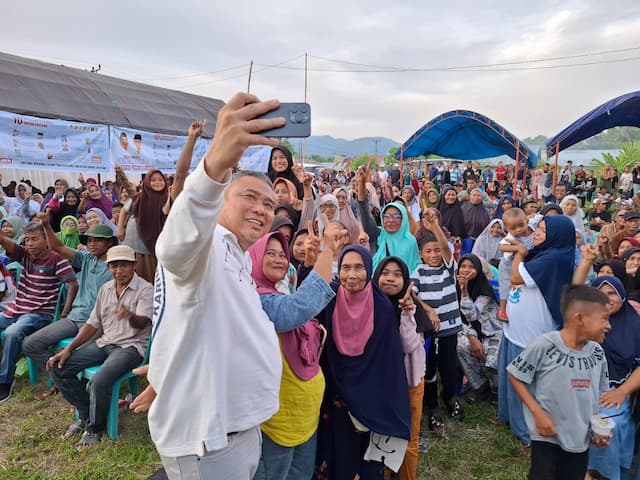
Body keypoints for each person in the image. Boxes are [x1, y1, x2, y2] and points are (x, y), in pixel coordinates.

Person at [145, 93, 288, 480]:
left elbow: (195, 321)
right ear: (220, 199)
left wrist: (166, 375)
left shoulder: (239, 256)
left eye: (270, 205)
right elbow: (175, 247)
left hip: (237, 429)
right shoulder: (204, 248)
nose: (262, 209)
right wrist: (213, 168)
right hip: (208, 444)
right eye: (250, 196)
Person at [313, 245, 411, 479]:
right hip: (336, 392)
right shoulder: (331, 299)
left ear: (369, 269)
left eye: (359, 267)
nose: (352, 274)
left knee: (365, 461)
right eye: (345, 268)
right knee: (339, 454)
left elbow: (387, 360)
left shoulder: (382, 307)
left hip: (370, 397)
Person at [250, 227, 338, 480]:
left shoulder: (277, 293)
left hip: (303, 415)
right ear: (254, 258)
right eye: (270, 253)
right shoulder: (256, 299)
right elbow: (298, 308)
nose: (279, 259)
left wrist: (311, 263)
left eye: (282, 254)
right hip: (277, 421)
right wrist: (328, 250)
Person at [47, 245, 152, 449]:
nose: (118, 271)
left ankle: (95, 428)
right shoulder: (106, 289)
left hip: (131, 348)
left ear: (133, 265)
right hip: (105, 342)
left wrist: (129, 315)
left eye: (123, 266)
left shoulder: (145, 289)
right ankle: (87, 415)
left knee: (100, 380)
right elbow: (92, 324)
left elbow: (143, 323)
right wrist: (69, 349)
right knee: (58, 368)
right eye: (113, 266)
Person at [507, 285, 611, 480]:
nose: (608, 326)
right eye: (604, 319)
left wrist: (598, 428)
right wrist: (537, 413)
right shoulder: (545, 345)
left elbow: (596, 396)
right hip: (547, 437)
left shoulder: (597, 353)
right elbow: (515, 376)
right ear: (579, 318)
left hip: (580, 440)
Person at [498, 215, 576, 446]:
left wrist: (520, 253)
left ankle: (527, 434)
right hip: (516, 328)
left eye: (542, 230)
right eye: (538, 228)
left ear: (555, 235)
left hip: (531, 332)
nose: (537, 233)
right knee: (509, 375)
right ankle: (507, 417)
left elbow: (516, 276)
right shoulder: (545, 252)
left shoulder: (553, 257)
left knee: (524, 382)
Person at [22, 217, 116, 400]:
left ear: (109, 242)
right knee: (30, 344)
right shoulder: (87, 259)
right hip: (74, 317)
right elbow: (57, 247)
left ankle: (77, 389)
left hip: (97, 323)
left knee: (73, 359)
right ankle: (60, 382)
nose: (92, 244)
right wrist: (48, 225)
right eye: (89, 240)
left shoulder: (117, 266)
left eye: (97, 240)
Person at [0, 221, 78, 402]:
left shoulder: (56, 259)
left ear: (46, 240)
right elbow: (4, 240)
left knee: (12, 333)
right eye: (27, 240)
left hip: (40, 313)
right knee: (11, 328)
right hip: (17, 309)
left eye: (34, 239)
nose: (29, 244)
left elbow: (73, 283)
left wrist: (65, 313)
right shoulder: (26, 256)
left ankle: (5, 381)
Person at [374, 256, 434, 480]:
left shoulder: (412, 306)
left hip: (409, 382)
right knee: (383, 435)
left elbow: (408, 345)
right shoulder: (370, 304)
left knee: (408, 438)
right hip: (382, 382)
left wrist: (407, 313)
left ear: (406, 280)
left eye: (397, 275)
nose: (390, 278)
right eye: (385, 273)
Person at [411, 209, 464, 433]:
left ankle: (450, 397)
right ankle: (432, 408)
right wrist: (428, 310)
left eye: (436, 251)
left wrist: (434, 228)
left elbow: (445, 248)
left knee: (450, 367)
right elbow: (411, 293)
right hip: (430, 332)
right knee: (430, 370)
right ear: (421, 255)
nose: (433, 254)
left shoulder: (448, 269)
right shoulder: (419, 271)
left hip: (450, 329)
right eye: (428, 251)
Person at [456, 254, 503, 402]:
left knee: (491, 362)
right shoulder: (454, 287)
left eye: (471, 267)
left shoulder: (485, 289)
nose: (466, 270)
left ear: (478, 270)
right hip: (472, 331)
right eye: (463, 266)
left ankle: (498, 391)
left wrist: (464, 292)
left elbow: (472, 314)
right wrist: (472, 337)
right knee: (461, 346)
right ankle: (480, 386)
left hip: (493, 333)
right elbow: (458, 317)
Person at [119, 169, 171, 283]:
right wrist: (120, 228)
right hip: (134, 243)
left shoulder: (167, 197)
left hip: (154, 242)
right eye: (153, 180)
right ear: (147, 182)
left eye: (160, 180)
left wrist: (171, 195)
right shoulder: (139, 196)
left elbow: (165, 212)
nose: (157, 182)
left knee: (150, 275)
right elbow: (124, 210)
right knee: (133, 273)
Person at [497, 208, 533, 321]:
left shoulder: (533, 231)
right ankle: (502, 310)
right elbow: (502, 247)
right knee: (506, 286)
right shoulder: (511, 237)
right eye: (513, 228)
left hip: (522, 265)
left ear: (527, 221)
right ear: (506, 229)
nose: (518, 230)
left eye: (521, 225)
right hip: (507, 265)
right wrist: (517, 247)